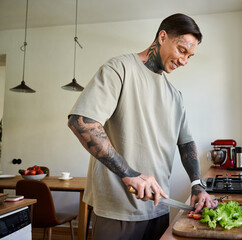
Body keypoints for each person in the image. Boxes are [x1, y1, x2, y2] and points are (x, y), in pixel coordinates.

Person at [67, 13, 217, 240]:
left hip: (159, 206)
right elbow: (81, 121)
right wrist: (130, 174)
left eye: (190, 56)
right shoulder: (119, 68)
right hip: (118, 210)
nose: (184, 61)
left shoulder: (174, 95)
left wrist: (197, 184)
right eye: (181, 50)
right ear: (163, 36)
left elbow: (186, 142)